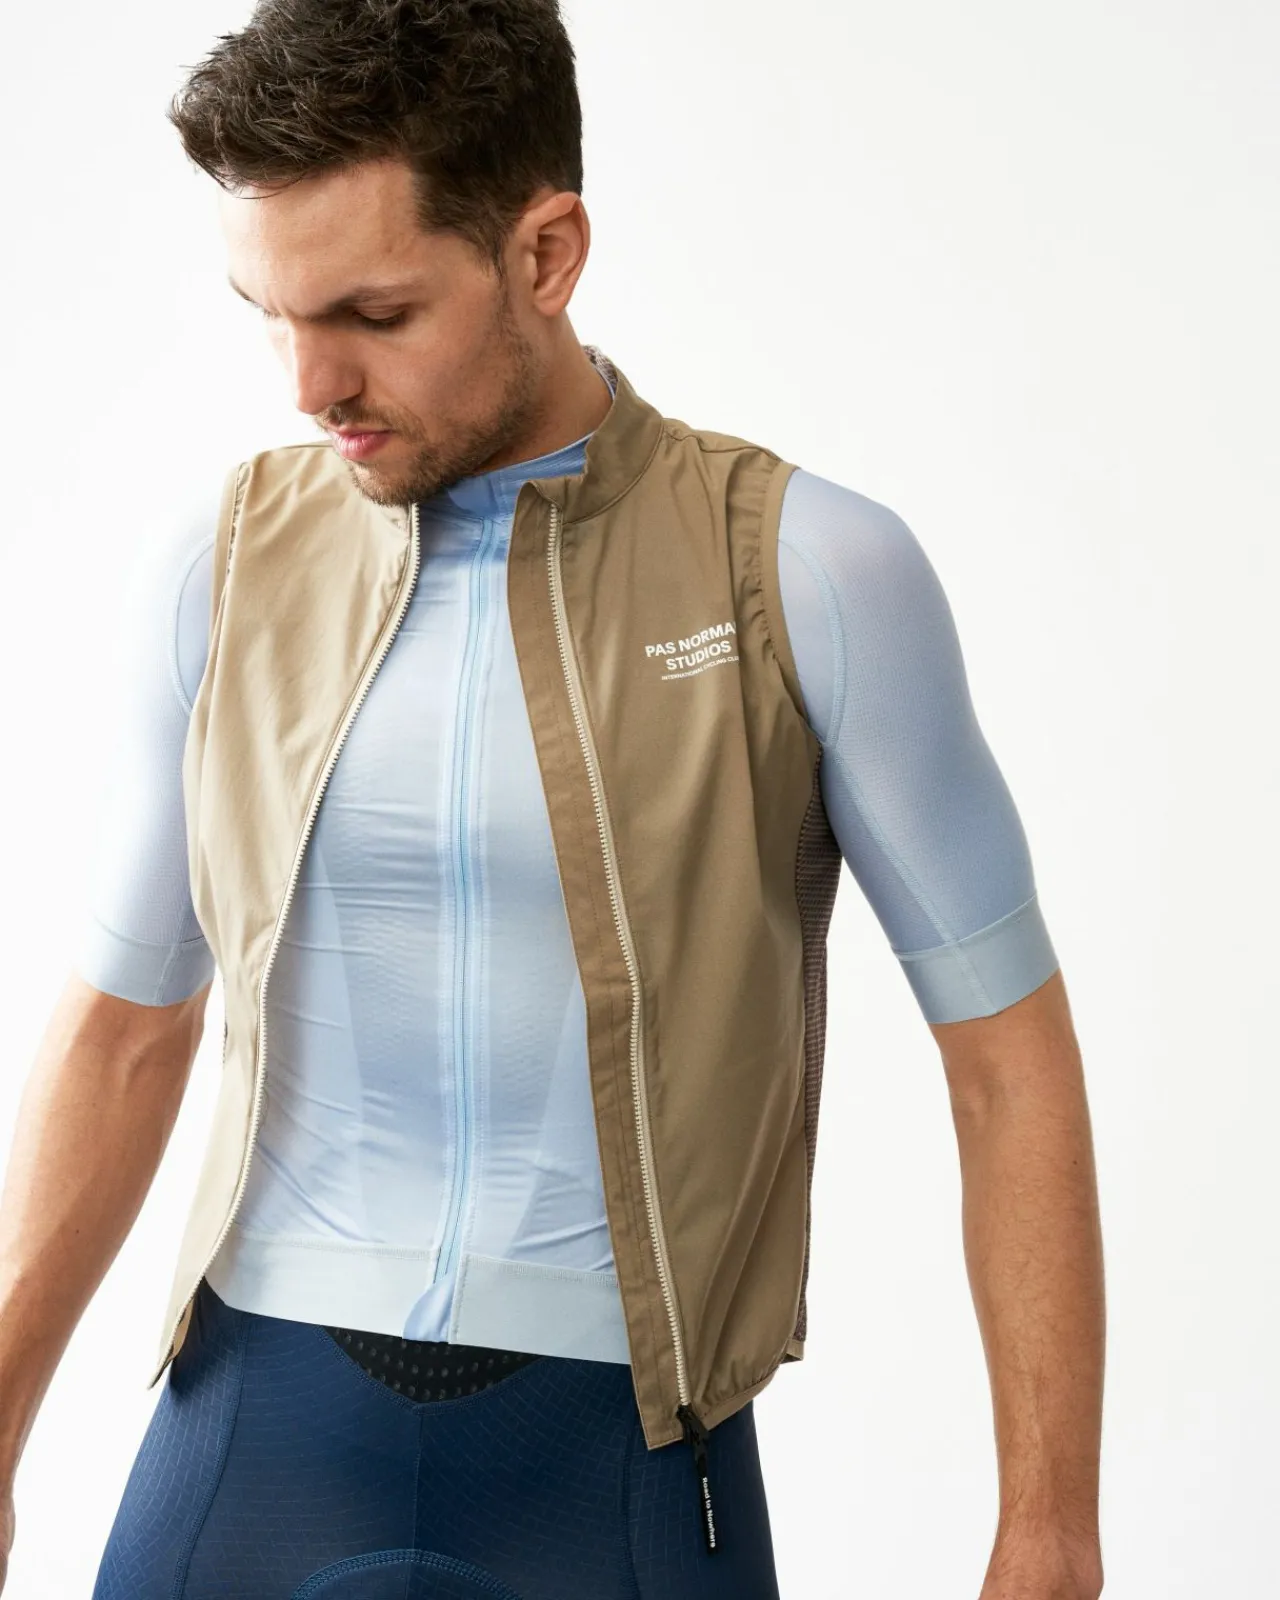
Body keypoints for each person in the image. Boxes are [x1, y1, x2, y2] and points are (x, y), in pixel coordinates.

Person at [0, 3, 1106, 1596]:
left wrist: (1050, 1531)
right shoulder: (225, 566)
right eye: (273, 316)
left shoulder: (806, 572)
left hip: (622, 1469)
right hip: (256, 1435)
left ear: (547, 252)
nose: (312, 383)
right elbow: (122, 1027)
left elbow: (1008, 1062)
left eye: (375, 312)